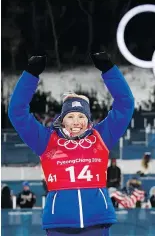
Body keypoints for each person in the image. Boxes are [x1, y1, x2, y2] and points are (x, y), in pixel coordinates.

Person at [8, 52, 134, 235]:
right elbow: (17, 112)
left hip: (97, 222)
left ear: (88, 120)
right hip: (59, 223)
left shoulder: (101, 137)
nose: (76, 121)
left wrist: (109, 70)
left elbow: (125, 104)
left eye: (81, 116)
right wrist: (31, 74)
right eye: (71, 116)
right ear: (62, 120)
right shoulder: (46, 140)